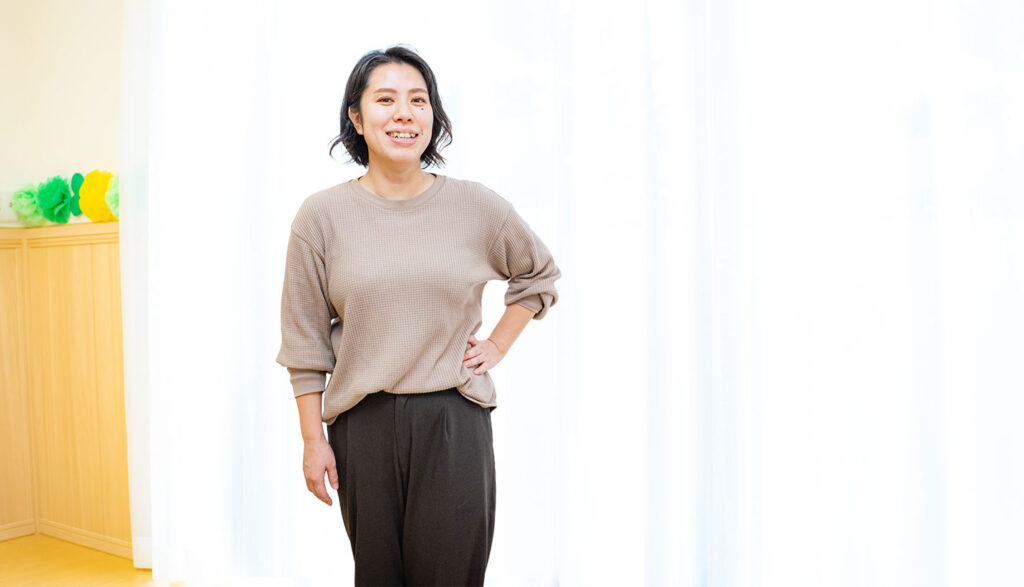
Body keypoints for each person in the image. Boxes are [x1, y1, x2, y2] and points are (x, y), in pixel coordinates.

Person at [275, 45, 561, 587]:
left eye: (418, 100)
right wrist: (313, 442)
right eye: (385, 100)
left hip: (453, 420)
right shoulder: (321, 217)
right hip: (362, 426)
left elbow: (538, 275)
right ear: (357, 118)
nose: (404, 113)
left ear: (433, 115)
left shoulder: (476, 206)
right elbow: (304, 340)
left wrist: (497, 344)